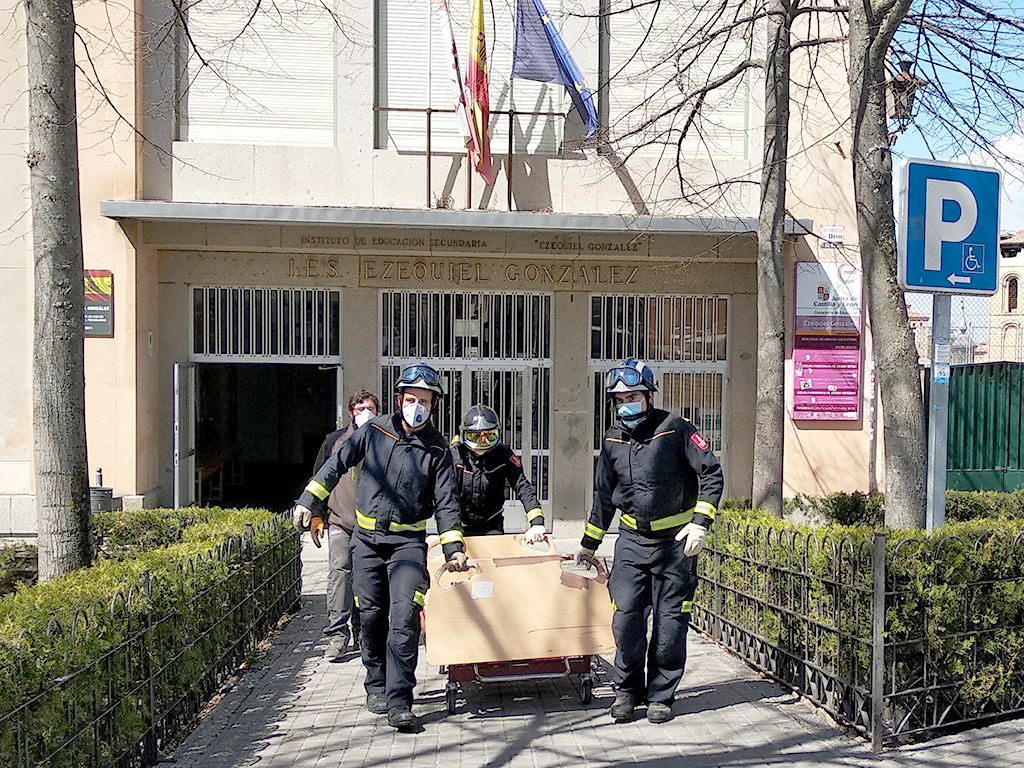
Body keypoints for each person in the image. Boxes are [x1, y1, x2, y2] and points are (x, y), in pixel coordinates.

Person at [292, 363, 468, 733]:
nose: (416, 406)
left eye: (424, 400)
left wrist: (453, 548)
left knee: (404, 619)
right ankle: (375, 684)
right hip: (366, 543)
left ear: (434, 405)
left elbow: (447, 502)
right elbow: (335, 463)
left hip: (407, 545)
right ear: (399, 399)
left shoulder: (437, 449)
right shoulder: (373, 431)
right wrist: (310, 500)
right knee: (370, 617)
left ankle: (400, 699)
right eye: (411, 399)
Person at [577, 357, 723, 724]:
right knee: (625, 621)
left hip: (674, 545)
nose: (626, 404)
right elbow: (603, 497)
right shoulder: (612, 440)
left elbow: (711, 473)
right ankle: (627, 692)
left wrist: (700, 522)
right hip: (630, 543)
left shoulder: (676, 429)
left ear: (649, 396)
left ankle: (661, 695)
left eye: (633, 396)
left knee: (670, 624)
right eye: (619, 398)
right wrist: (588, 544)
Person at [308, 389, 380, 661]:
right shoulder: (334, 441)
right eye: (360, 408)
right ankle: (337, 636)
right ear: (351, 412)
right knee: (339, 575)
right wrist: (317, 514)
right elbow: (320, 478)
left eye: (370, 407)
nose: (365, 412)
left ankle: (364, 634)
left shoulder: (385, 440)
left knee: (365, 579)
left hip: (371, 525)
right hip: (339, 520)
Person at [450, 404, 547, 542]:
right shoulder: (455, 456)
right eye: (474, 437)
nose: (482, 443)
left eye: (489, 436)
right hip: (459, 526)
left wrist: (537, 522)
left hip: (491, 524)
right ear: (463, 435)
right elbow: (446, 496)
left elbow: (522, 486)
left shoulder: (503, 454)